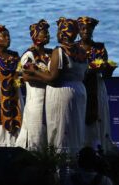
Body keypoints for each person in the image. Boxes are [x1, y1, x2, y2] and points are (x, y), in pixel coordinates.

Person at [23, 18, 87, 154]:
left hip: (62, 93)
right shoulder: (82, 51)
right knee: (75, 130)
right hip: (80, 91)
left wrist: (35, 71)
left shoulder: (59, 51)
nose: (54, 34)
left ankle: (61, 166)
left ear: (64, 33)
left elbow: (53, 79)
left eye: (58, 31)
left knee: (61, 131)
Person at [78, 16, 114, 152]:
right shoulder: (73, 48)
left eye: (89, 28)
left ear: (93, 30)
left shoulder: (100, 48)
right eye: (82, 28)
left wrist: (108, 69)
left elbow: (106, 75)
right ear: (78, 31)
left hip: (97, 87)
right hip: (81, 86)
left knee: (99, 117)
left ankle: (99, 150)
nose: (86, 31)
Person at [16, 19, 52, 150]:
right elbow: (26, 76)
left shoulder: (51, 53)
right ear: (35, 36)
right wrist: (49, 79)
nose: (47, 35)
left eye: (48, 32)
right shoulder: (28, 55)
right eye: (44, 32)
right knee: (36, 132)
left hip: (50, 98)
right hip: (36, 99)